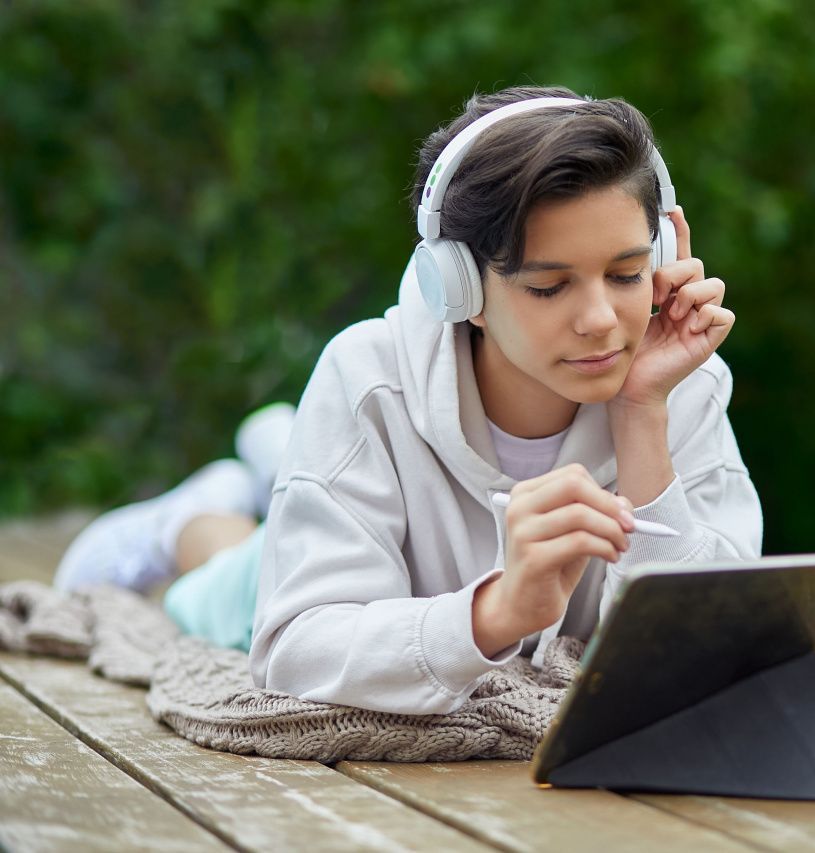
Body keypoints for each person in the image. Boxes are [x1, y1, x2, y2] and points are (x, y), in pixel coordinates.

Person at [54, 85, 763, 715]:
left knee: (294, 492)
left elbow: (714, 649)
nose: (602, 319)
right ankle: (191, 517)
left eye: (628, 272)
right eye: (549, 286)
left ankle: (279, 454)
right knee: (221, 585)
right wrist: (495, 612)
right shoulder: (368, 378)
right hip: (273, 575)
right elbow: (296, 644)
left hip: (383, 530)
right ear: (456, 288)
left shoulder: (677, 382)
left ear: (666, 255)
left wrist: (642, 413)